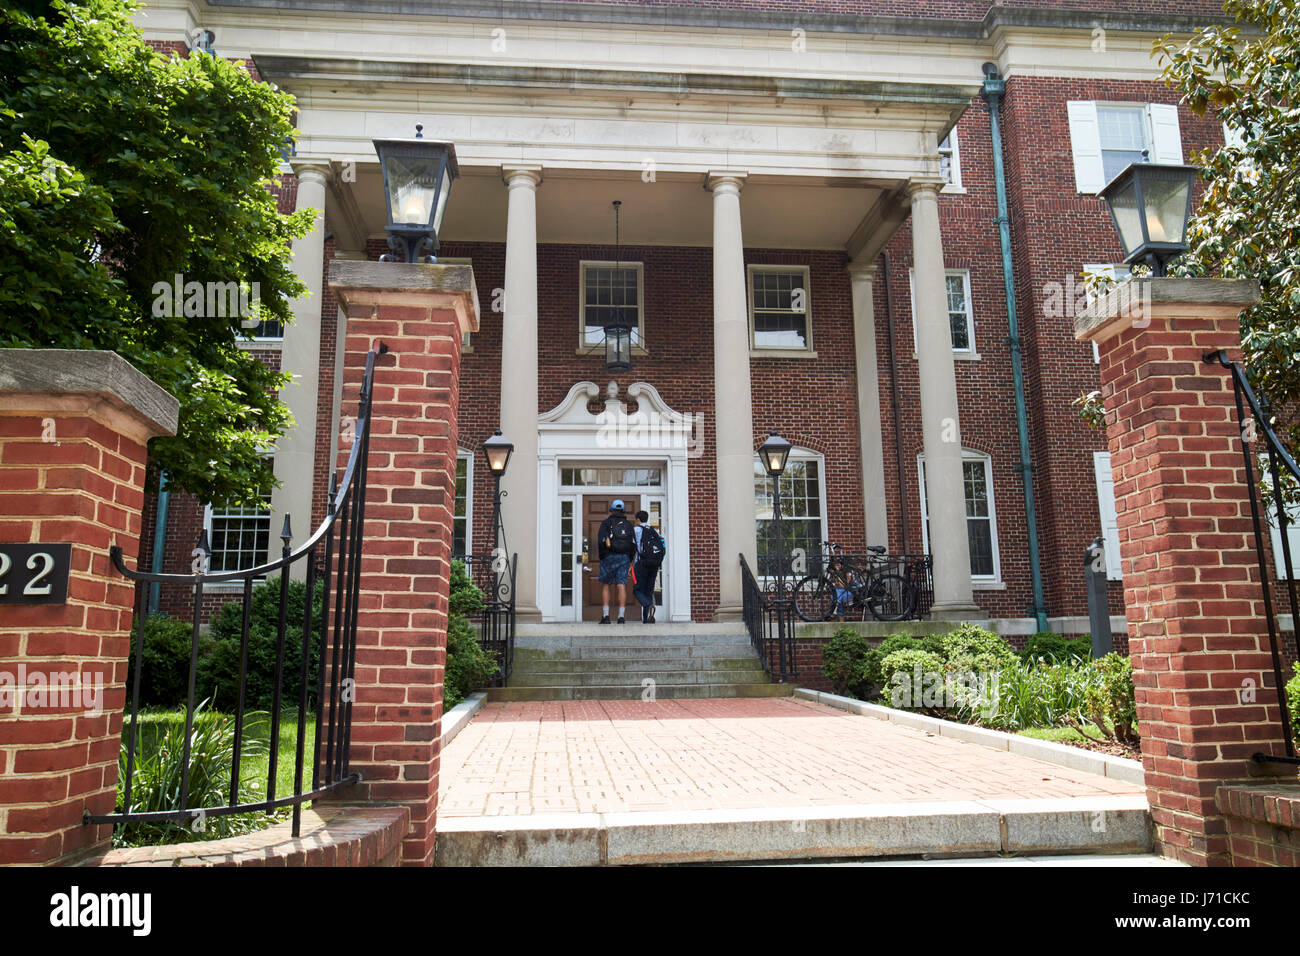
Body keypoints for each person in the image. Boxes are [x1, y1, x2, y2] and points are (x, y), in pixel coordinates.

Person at [596, 499, 636, 624]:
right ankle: (621, 617)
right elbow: (633, 544)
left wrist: (603, 556)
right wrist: (630, 560)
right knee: (621, 585)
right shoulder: (629, 525)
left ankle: (606, 616)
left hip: (608, 556)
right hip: (624, 557)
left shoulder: (606, 523)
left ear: (612, 510)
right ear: (623, 510)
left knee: (606, 585)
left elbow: (601, 540)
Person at [629, 510, 666, 623]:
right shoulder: (654, 531)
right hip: (654, 564)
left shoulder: (636, 530)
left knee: (637, 590)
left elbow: (632, 547)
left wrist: (631, 564)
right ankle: (647, 619)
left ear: (638, 520)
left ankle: (648, 605)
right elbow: (662, 545)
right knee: (648, 591)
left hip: (642, 563)